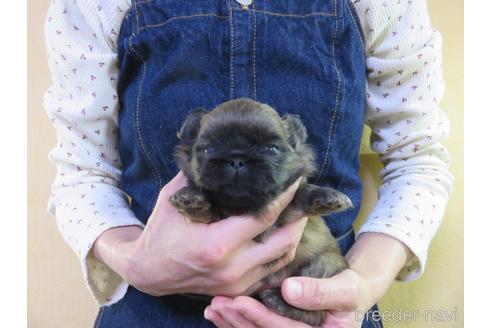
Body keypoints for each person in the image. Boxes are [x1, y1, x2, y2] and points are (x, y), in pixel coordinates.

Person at [43, 0, 453, 327]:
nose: (238, 164)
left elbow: (418, 158)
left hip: (323, 294)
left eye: (265, 151)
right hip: (157, 306)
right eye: (214, 152)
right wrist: (132, 259)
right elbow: (83, 172)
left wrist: (363, 283)